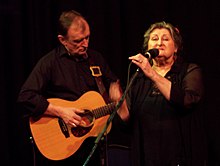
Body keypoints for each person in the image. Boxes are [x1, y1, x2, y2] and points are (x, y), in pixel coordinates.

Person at [17, 10, 126, 166]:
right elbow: (25, 97)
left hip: (92, 147)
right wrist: (61, 111)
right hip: (62, 149)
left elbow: (114, 88)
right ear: (62, 40)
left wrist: (118, 93)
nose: (85, 44)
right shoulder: (49, 63)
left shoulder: (96, 59)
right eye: (78, 41)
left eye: (87, 38)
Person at [119, 21, 208, 165]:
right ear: (147, 46)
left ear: (176, 47)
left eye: (165, 39)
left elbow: (186, 100)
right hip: (145, 155)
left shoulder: (188, 71)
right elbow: (126, 118)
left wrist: (152, 74)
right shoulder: (139, 77)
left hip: (180, 155)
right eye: (154, 39)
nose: (159, 43)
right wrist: (117, 99)